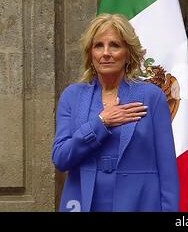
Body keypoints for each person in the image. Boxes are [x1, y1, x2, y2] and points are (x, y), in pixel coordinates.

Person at [52, 13, 179, 212]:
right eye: (98, 45)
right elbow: (61, 158)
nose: (106, 53)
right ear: (90, 53)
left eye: (115, 45)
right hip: (84, 203)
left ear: (128, 53)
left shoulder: (151, 96)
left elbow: (168, 170)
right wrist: (101, 123)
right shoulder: (72, 96)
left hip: (139, 203)